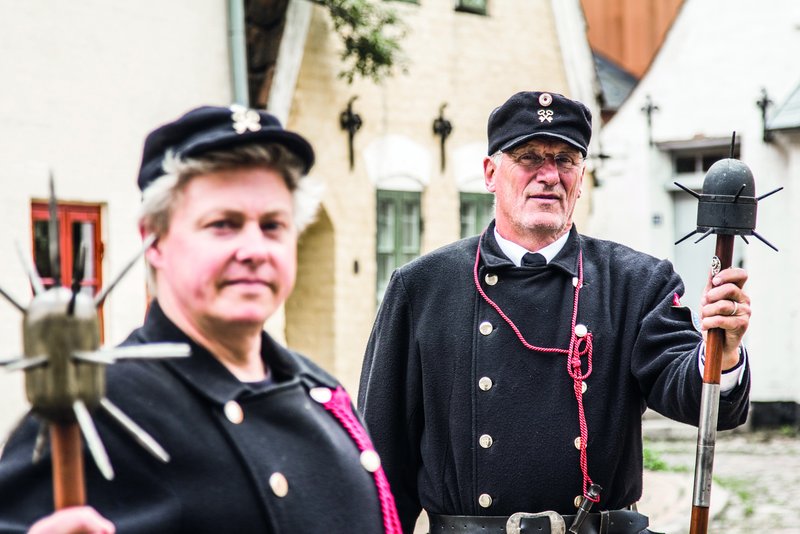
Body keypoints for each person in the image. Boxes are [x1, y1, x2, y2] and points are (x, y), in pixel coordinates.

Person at [358, 91, 751, 534]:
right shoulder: (423, 288)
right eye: (528, 157)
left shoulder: (637, 282)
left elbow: (695, 398)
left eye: (565, 160)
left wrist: (722, 352)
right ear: (490, 173)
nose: (549, 175)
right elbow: (382, 458)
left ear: (581, 179)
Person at [0, 105, 401, 533]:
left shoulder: (321, 393)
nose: (254, 250)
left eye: (272, 226)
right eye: (224, 224)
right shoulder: (96, 408)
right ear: (153, 240)